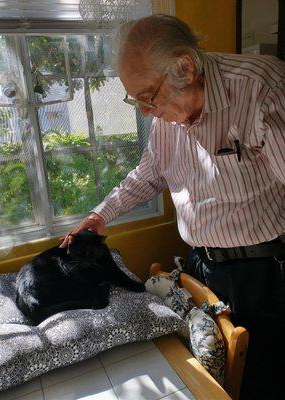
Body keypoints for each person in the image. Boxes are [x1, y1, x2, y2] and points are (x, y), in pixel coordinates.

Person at [60, 14, 285, 399]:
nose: (145, 111)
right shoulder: (167, 113)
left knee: (263, 378)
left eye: (148, 96)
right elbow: (148, 175)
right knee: (213, 378)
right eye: (136, 100)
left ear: (185, 66)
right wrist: (100, 215)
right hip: (201, 265)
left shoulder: (260, 88)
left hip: (262, 272)